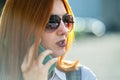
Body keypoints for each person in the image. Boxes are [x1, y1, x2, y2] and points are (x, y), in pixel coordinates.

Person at [0, 0, 97, 80]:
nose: (64, 30)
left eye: (66, 20)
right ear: (21, 30)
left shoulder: (83, 76)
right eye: (52, 22)